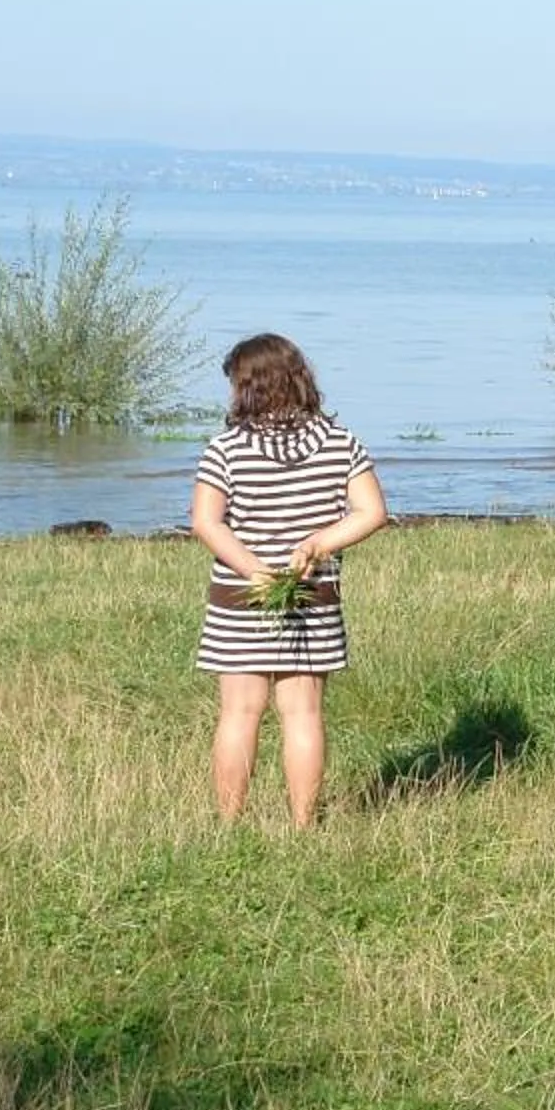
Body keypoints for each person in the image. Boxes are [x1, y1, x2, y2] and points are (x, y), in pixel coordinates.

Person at [189, 333, 389, 827]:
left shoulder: (227, 448)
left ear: (248, 386)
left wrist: (254, 570)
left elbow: (205, 521)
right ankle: (304, 825)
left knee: (239, 713)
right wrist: (315, 547)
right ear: (299, 377)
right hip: (311, 597)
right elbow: (372, 513)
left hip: (240, 598)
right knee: (303, 715)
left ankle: (230, 824)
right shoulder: (340, 442)